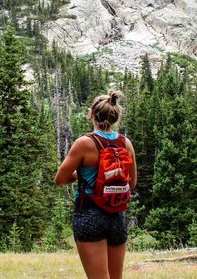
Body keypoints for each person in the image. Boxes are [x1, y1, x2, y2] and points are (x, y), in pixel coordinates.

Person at [54, 90, 137, 279]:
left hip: (89, 214)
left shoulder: (85, 143)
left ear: (92, 114)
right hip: (117, 215)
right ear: (115, 116)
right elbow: (131, 183)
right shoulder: (126, 143)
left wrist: (77, 176)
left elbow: (59, 179)